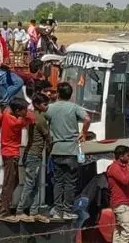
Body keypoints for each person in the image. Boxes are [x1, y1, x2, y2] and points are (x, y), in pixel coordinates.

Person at [46, 82, 91, 221]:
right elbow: (87, 118)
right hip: (71, 150)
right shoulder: (74, 107)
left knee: (58, 181)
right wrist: (84, 132)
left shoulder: (50, 108)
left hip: (56, 149)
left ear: (58, 94)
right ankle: (66, 209)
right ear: (70, 95)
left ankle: (57, 209)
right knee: (70, 182)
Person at [0, 99, 31, 220]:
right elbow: (31, 118)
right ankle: (4, 212)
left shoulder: (6, 115)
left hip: (6, 153)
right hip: (12, 154)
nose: (26, 112)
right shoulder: (18, 121)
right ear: (17, 111)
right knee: (9, 183)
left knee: (14, 181)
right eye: (24, 110)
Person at [13, 93, 52, 222]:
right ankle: (20, 210)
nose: (47, 107)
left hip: (30, 154)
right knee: (30, 184)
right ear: (36, 105)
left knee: (34, 184)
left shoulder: (31, 116)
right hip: (34, 155)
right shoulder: (40, 119)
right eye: (44, 104)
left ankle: (34, 211)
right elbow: (48, 136)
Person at [109, 145, 129, 243]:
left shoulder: (121, 167)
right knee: (128, 230)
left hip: (123, 203)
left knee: (119, 230)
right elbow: (125, 180)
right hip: (120, 203)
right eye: (127, 156)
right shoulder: (114, 167)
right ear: (121, 156)